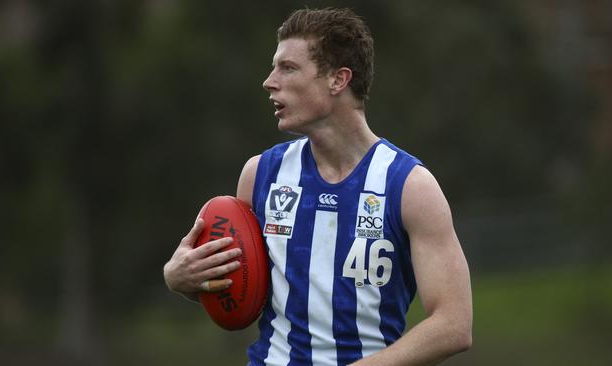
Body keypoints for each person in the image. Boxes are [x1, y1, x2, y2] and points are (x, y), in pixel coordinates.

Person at [164, 7, 472, 366]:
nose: (269, 81)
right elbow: (239, 291)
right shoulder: (261, 174)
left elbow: (453, 325)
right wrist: (180, 277)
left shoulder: (409, 187)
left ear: (338, 80)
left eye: (288, 68)